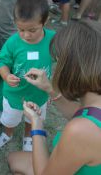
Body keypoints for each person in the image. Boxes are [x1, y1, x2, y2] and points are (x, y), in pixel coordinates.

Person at [8, 20, 101, 175]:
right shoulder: (93, 108)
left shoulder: (79, 131)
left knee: (15, 163)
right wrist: (49, 88)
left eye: (57, 62)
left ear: (71, 69)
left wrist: (36, 125)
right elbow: (85, 114)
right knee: (15, 159)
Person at [0, 0, 56, 151]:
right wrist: (6, 76)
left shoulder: (53, 39)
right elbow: (2, 61)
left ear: (45, 21)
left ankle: (28, 137)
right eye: (21, 29)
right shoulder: (13, 41)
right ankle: (8, 134)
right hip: (15, 94)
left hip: (39, 94)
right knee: (10, 119)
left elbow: (63, 60)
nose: (26, 35)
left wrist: (52, 86)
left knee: (33, 119)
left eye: (32, 30)